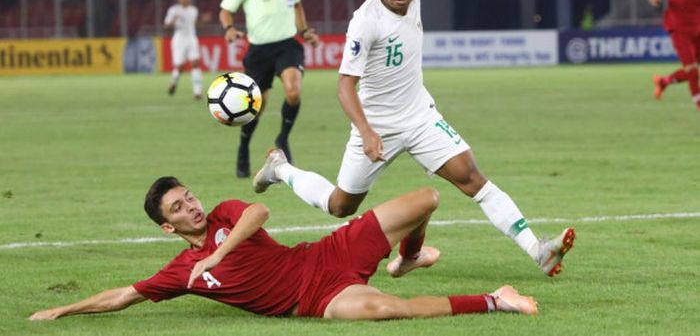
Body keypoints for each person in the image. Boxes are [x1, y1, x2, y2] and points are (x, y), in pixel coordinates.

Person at [253, 0, 575, 277]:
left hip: (420, 116)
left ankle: (537, 250)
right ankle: (280, 169)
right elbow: (345, 85)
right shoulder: (366, 21)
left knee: (471, 177)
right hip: (377, 125)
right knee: (340, 205)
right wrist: (366, 132)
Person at [29, 177, 538, 321]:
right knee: (384, 309)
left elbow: (260, 213)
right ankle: (497, 298)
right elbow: (123, 295)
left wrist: (218, 254)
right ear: (167, 227)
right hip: (315, 300)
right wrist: (62, 309)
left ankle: (405, 257)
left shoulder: (228, 213)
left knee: (425, 198)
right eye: (179, 210)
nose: (192, 208)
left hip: (327, 254)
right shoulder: (184, 273)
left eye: (189, 198)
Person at [219, 0, 320, 178]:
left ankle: (283, 138)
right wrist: (229, 29)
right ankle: (243, 147)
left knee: (293, 92)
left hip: (287, 45)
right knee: (256, 107)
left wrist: (304, 30)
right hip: (259, 51)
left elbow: (296, 5)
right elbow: (225, 10)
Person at [649, 0, 700, 111]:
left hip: (698, 27)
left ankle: (664, 81)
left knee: (690, 71)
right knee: (692, 70)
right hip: (679, 28)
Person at [164, 0, 209, 99]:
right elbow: (166, 27)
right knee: (180, 67)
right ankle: (174, 82)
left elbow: (196, 25)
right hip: (179, 39)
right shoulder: (173, 10)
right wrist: (173, 21)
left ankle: (197, 92)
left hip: (191, 38)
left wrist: (203, 21)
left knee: (196, 63)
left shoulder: (193, 10)